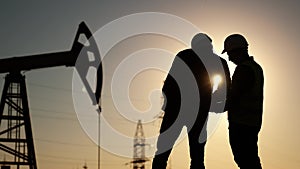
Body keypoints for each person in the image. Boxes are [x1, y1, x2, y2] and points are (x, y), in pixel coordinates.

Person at [152, 33, 230, 169]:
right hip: (192, 111)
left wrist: (167, 105)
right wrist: (211, 102)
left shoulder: (184, 56)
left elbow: (168, 84)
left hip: (177, 110)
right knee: (197, 155)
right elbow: (225, 89)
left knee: (164, 153)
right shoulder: (215, 61)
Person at [222, 34, 264, 169]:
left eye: (229, 53)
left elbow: (234, 97)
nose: (228, 57)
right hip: (252, 123)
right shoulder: (255, 67)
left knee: (246, 161)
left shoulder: (243, 70)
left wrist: (213, 106)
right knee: (250, 160)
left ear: (237, 51)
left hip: (241, 124)